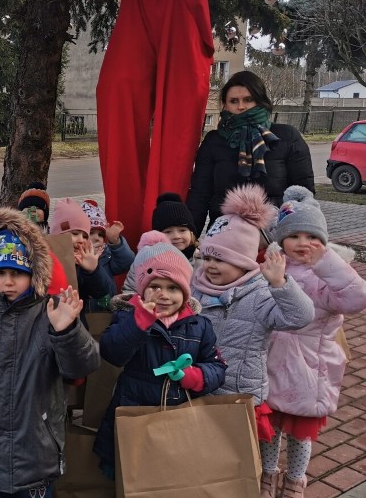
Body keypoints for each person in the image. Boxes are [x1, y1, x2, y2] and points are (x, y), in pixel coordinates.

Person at [79, 0, 236, 248]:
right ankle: (127, 220)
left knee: (177, 109)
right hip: (137, 13)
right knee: (114, 90)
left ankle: (165, 221)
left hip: (176, 16)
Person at [0, 208, 100, 497]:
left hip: (36, 453)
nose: (8, 281)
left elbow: (81, 367)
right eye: (0, 273)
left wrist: (66, 332)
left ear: (33, 272)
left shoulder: (51, 312)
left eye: (17, 273)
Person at [93, 231, 227, 479]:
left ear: (186, 293)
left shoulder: (198, 326)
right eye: (155, 287)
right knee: (127, 476)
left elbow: (217, 366)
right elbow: (113, 352)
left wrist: (193, 376)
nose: (164, 295)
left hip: (179, 419)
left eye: (173, 288)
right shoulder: (127, 317)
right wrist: (139, 323)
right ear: (142, 290)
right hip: (133, 413)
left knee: (170, 477)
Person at [261, 187, 366, 498]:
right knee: (271, 429)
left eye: (311, 236)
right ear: (282, 240)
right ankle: (268, 475)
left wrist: (327, 262)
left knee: (300, 431)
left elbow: (356, 298)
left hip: (308, 365)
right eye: (294, 236)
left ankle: (295, 480)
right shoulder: (273, 268)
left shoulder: (327, 274)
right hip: (271, 360)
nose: (303, 243)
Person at [190, 184, 314, 444]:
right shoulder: (195, 288)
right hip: (198, 388)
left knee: (238, 459)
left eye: (221, 260)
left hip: (241, 394)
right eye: (208, 258)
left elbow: (300, 317)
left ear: (244, 261)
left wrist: (281, 285)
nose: (211, 266)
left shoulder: (259, 294)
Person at [187, 70, 315, 234]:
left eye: (248, 99)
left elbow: (303, 194)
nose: (241, 106)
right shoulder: (214, 141)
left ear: (260, 101)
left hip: (273, 236)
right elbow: (200, 194)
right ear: (225, 105)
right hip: (225, 235)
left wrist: (301, 236)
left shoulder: (287, 137)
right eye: (233, 101)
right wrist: (189, 239)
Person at [48, 198, 112, 327]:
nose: (81, 240)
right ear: (57, 235)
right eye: (75, 233)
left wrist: (92, 271)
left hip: (76, 326)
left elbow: (102, 291)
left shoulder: (82, 264)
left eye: (85, 236)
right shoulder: (44, 259)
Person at [123, 192, 199, 293]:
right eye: (168, 231)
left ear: (191, 232)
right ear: (157, 235)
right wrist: (142, 307)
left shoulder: (202, 259)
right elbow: (130, 291)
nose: (176, 236)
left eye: (182, 230)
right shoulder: (145, 259)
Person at [80, 199, 135, 307]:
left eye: (101, 234)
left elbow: (126, 263)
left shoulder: (106, 253)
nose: (97, 238)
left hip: (106, 310)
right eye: (91, 233)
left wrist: (115, 243)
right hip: (83, 311)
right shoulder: (75, 257)